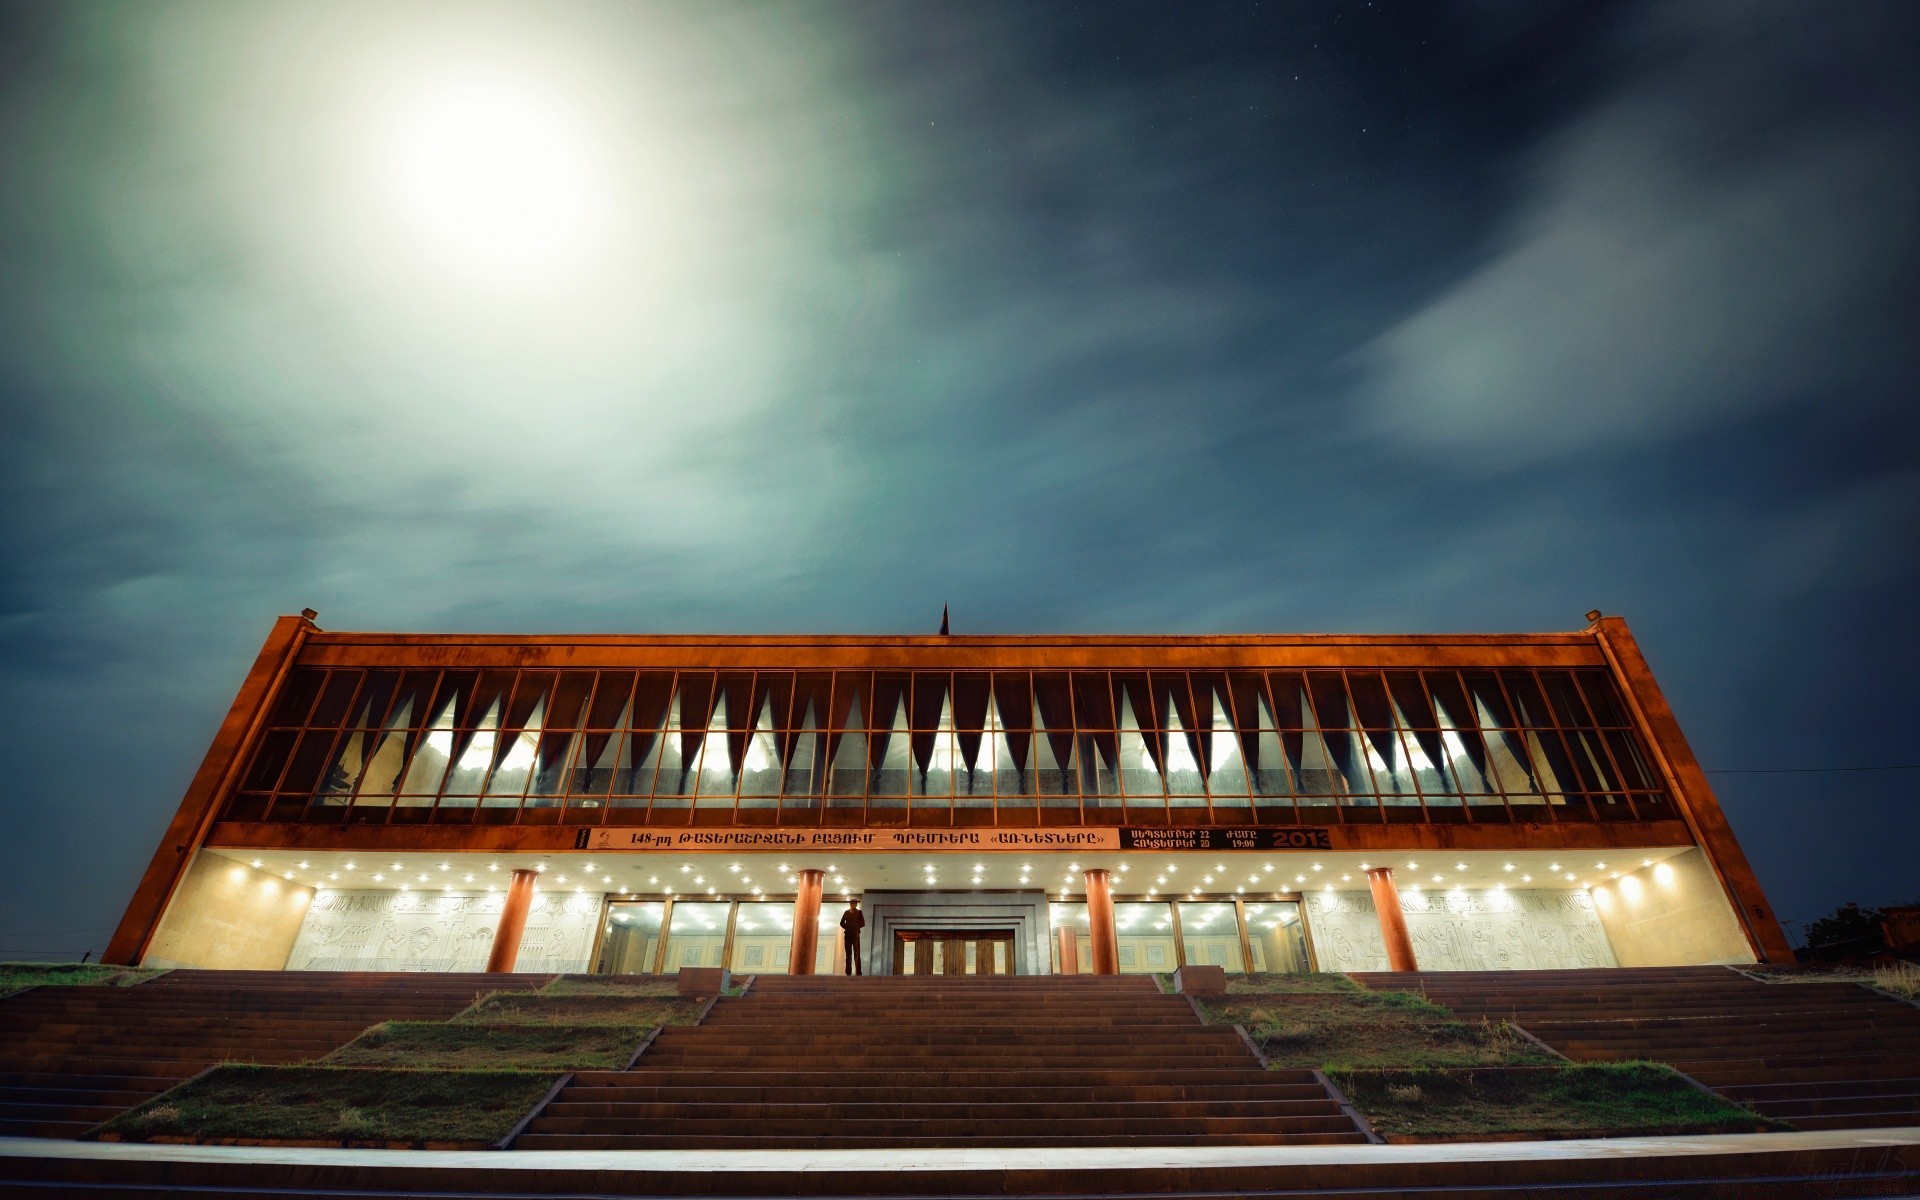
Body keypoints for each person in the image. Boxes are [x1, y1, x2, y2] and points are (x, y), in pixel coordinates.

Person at [838, 897, 865, 976]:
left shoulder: (859, 912)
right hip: (848, 935)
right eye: (852, 903)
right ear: (850, 904)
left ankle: (858, 973)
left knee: (857, 954)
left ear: (856, 904)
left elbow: (863, 923)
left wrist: (855, 927)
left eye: (854, 903)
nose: (853, 905)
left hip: (856, 935)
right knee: (848, 954)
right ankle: (848, 972)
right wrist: (848, 927)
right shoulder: (846, 912)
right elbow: (841, 923)